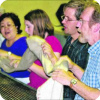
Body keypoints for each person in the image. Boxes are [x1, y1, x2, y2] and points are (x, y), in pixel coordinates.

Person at [41, 0, 90, 99]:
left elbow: (86, 84)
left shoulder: (87, 48)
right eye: (64, 17)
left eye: (68, 19)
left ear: (80, 22)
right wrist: (51, 56)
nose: (63, 21)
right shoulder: (69, 40)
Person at [52, 1, 100, 100]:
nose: (78, 25)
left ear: (96, 27)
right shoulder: (94, 51)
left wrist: (71, 80)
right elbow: (89, 83)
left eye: (82, 21)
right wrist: (73, 67)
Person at [24, 9, 62, 89]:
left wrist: (29, 65)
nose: (25, 30)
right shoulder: (37, 43)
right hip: (33, 86)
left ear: (38, 25)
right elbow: (35, 70)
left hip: (44, 91)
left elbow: (50, 74)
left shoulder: (52, 41)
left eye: (28, 26)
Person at [0, 13, 30, 84]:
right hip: (6, 80)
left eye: (9, 25)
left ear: (16, 26)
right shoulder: (4, 42)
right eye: (2, 26)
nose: (6, 28)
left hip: (21, 82)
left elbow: (30, 62)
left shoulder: (24, 42)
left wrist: (7, 54)